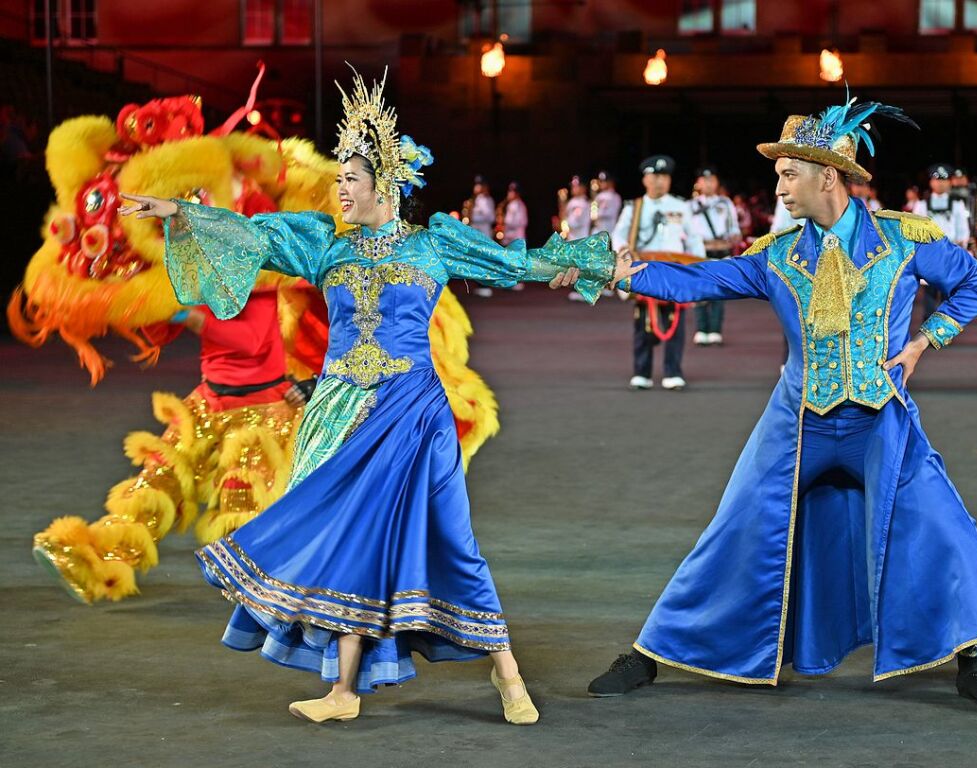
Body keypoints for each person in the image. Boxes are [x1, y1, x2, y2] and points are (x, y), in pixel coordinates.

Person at [118, 68, 615, 725]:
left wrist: (597, 265)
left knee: (454, 543)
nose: (339, 190)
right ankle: (344, 692)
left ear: (382, 183)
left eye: (349, 179)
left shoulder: (434, 243)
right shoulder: (326, 245)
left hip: (416, 418)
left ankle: (509, 676)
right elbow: (251, 236)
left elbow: (514, 263)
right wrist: (179, 211)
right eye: (337, 181)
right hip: (343, 416)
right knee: (352, 542)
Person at [571, 93, 977, 714]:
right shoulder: (777, 257)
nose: (778, 185)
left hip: (879, 421)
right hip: (798, 421)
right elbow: (700, 281)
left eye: (788, 173)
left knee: (942, 526)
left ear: (827, 176)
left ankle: (972, 660)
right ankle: (653, 653)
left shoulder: (903, 241)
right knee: (733, 529)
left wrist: (924, 340)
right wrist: (625, 274)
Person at [32, 292, 306, 603]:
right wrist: (151, 305)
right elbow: (160, 334)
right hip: (207, 402)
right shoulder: (202, 269)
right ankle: (104, 565)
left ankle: (267, 587)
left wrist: (191, 317)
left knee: (241, 502)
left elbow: (251, 340)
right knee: (157, 483)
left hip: (262, 410)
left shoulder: (259, 272)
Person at [611, 154, 705, 390]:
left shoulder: (681, 206)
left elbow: (694, 240)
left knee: (675, 319)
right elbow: (618, 234)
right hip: (645, 269)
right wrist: (623, 250)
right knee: (643, 320)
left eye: (664, 176)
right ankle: (641, 371)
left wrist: (700, 271)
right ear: (645, 179)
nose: (660, 181)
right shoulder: (634, 207)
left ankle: (673, 372)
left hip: (674, 269)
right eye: (655, 176)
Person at [689, 166, 741, 345]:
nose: (709, 183)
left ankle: (715, 330)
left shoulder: (725, 203)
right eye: (705, 180)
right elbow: (687, 233)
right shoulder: (691, 206)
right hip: (701, 253)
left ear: (717, 182)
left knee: (719, 292)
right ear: (699, 183)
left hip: (722, 252)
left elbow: (734, 227)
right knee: (700, 292)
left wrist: (734, 236)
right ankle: (701, 329)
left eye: (712, 179)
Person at [913, 163, 971, 316]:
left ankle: (945, 333)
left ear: (949, 182)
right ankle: (928, 335)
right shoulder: (922, 204)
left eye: (944, 180)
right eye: (937, 180)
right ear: (931, 182)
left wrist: (960, 252)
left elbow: (963, 231)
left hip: (950, 254)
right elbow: (914, 231)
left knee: (949, 297)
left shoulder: (957, 204)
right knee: (929, 298)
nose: (940, 183)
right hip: (929, 255)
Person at [593, 170, 622, 235]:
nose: (601, 183)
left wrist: (597, 213)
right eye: (600, 181)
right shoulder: (598, 196)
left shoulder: (615, 196)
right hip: (598, 230)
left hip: (610, 231)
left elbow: (610, 213)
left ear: (611, 182)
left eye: (604, 181)